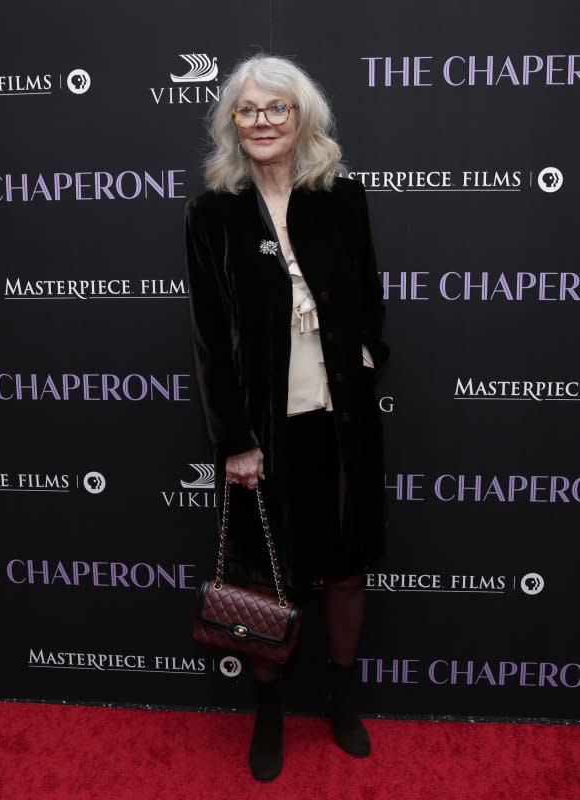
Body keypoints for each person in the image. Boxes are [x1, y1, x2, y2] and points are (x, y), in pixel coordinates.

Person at [184, 52, 390, 782]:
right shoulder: (213, 213)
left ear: (302, 118)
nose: (263, 120)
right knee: (262, 580)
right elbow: (210, 336)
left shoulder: (343, 197)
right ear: (231, 124)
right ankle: (267, 707)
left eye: (278, 108)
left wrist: (366, 349)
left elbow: (369, 294)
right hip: (263, 436)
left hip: (341, 421)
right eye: (248, 109)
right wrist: (234, 442)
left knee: (345, 571)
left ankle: (339, 697)